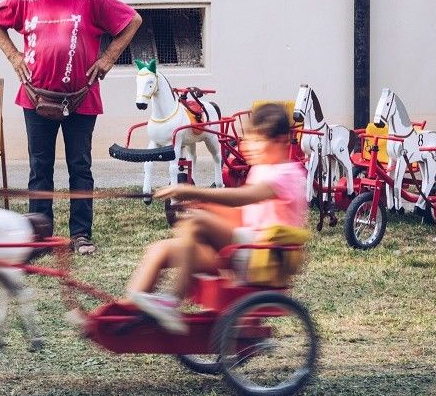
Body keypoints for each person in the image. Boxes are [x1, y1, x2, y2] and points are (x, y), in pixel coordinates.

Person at [0, 0, 142, 255]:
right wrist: (15, 57)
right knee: (39, 168)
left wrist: (108, 58)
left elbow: (132, 20)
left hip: (81, 98)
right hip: (35, 98)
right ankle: (39, 236)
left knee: (80, 167)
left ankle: (81, 235)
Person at [125, 103, 308, 333]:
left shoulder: (287, 174)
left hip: (263, 256)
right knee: (160, 250)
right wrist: (204, 205)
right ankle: (124, 314)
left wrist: (193, 192)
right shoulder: (261, 169)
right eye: (248, 139)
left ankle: (172, 300)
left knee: (196, 222)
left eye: (257, 140)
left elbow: (243, 198)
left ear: (281, 140)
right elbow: (242, 214)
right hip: (242, 250)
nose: (247, 146)